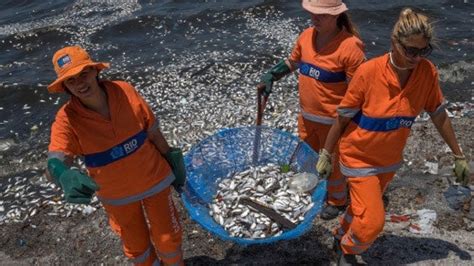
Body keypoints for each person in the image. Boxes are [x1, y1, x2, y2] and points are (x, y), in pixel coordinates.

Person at [316, 8, 471, 265]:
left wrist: (458, 154)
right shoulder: (369, 73)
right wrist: (326, 154)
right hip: (358, 159)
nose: (415, 58)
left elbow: (438, 113)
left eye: (422, 51)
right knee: (373, 224)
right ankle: (347, 251)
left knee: (361, 210)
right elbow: (343, 117)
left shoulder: (426, 72)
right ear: (394, 42)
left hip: (388, 161)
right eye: (410, 50)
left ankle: (341, 234)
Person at [45, 46, 186, 266]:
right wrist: (63, 174)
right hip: (117, 195)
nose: (80, 83)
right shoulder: (66, 118)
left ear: (95, 71)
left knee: (168, 238)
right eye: (71, 80)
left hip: (155, 179)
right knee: (136, 246)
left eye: (84, 74)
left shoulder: (124, 90)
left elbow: (153, 131)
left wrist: (172, 159)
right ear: (65, 87)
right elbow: (56, 158)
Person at [259, 0, 365, 220]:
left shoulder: (351, 46)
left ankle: (337, 199)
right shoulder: (306, 36)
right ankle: (313, 190)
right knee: (306, 157)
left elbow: (359, 90)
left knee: (333, 163)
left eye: (321, 15)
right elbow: (293, 62)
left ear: (336, 16)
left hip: (333, 123)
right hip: (306, 117)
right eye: (312, 13)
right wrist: (273, 74)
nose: (314, 18)